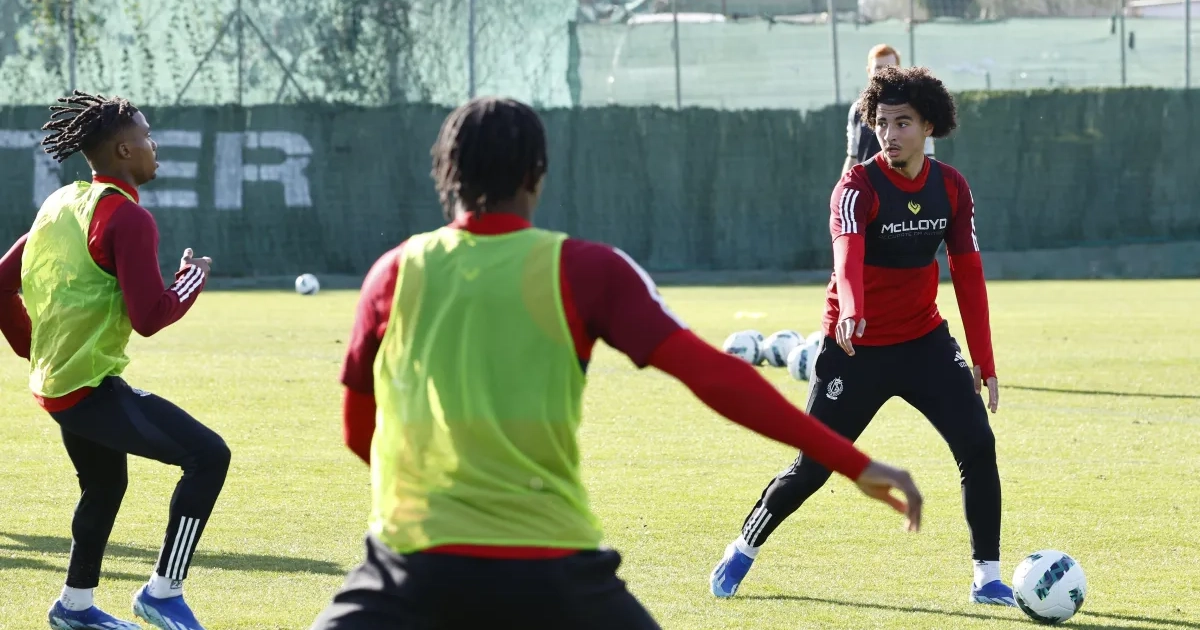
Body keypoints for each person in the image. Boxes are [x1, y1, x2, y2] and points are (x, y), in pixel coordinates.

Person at [310, 96, 924, 629]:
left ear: (447, 173)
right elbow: (717, 376)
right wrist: (853, 461)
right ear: (536, 175)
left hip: (407, 567)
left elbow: (357, 433)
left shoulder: (393, 273)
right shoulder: (587, 269)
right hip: (552, 570)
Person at [710, 66, 1015, 606]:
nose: (889, 134)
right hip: (856, 350)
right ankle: (743, 549)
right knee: (812, 467)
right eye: (881, 123)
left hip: (923, 342)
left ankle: (987, 578)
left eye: (903, 123)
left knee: (978, 445)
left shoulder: (951, 187)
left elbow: (968, 274)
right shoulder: (856, 187)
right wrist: (851, 311)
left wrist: (984, 362)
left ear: (929, 127)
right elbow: (846, 255)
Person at [0, 90, 226, 630]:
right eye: (147, 135)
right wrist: (190, 280)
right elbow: (149, 317)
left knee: (104, 486)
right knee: (208, 456)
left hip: (58, 384)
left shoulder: (60, 204)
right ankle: (162, 593)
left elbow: (1, 283)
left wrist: (31, 347)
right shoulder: (128, 218)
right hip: (85, 388)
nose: (154, 145)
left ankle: (74, 607)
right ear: (124, 150)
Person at [842, 44, 935, 176]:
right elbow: (852, 156)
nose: (884, 73)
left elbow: (928, 156)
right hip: (869, 185)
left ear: (899, 70)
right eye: (878, 68)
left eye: (889, 68)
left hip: (905, 184)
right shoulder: (857, 109)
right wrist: (843, 186)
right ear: (869, 71)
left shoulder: (916, 107)